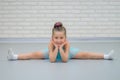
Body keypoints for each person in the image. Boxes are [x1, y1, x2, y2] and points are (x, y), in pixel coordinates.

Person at [7, 22, 114, 62]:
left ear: (65, 38)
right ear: (52, 38)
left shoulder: (67, 44)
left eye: (61, 38)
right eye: (56, 38)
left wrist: (61, 48)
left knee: (85, 54)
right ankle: (14, 56)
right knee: (34, 54)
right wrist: (56, 48)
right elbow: (52, 60)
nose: (59, 40)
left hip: (68, 53)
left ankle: (106, 56)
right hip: (51, 54)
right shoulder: (50, 44)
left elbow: (65, 60)